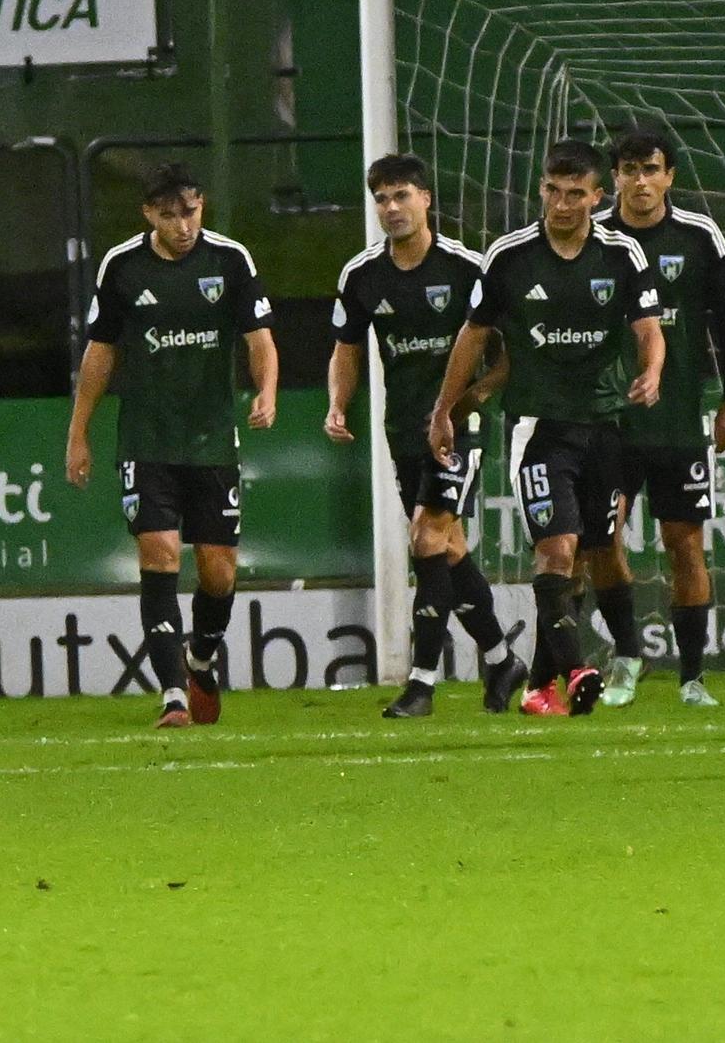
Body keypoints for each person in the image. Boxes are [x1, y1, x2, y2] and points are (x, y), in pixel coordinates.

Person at [430, 139, 664, 717]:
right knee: (556, 551)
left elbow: (649, 329)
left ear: (596, 196)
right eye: (553, 192)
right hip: (538, 428)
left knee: (596, 550)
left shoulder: (622, 254)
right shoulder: (508, 257)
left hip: (606, 423)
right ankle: (581, 667)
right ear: (541, 190)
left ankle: (545, 684)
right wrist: (444, 408)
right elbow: (473, 336)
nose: (562, 204)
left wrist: (653, 371)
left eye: (575, 194)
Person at [65, 162, 277, 728]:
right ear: (148, 214)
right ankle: (173, 697)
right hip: (146, 440)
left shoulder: (230, 260)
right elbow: (100, 352)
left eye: (190, 211)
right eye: (168, 215)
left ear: (200, 205)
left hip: (212, 442)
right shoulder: (122, 266)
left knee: (219, 574)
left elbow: (260, 338)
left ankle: (200, 659)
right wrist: (78, 433)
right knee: (158, 554)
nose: (182, 225)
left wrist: (267, 392)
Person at [325, 154, 529, 719]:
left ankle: (421, 684)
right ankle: (500, 656)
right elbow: (346, 348)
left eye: (401, 197)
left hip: (461, 427)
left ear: (426, 199)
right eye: (382, 200)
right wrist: (338, 404)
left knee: (425, 538)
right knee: (450, 548)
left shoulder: (468, 269)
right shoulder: (362, 275)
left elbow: (512, 352)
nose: (392, 209)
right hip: (403, 429)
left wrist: (476, 398)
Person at [586, 125, 725, 708]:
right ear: (614, 179)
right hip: (609, 421)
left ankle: (692, 677)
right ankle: (628, 654)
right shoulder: (593, 236)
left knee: (685, 544)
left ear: (670, 176)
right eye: (629, 171)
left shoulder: (699, 235)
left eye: (651, 170)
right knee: (601, 540)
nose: (640, 182)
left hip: (680, 419)